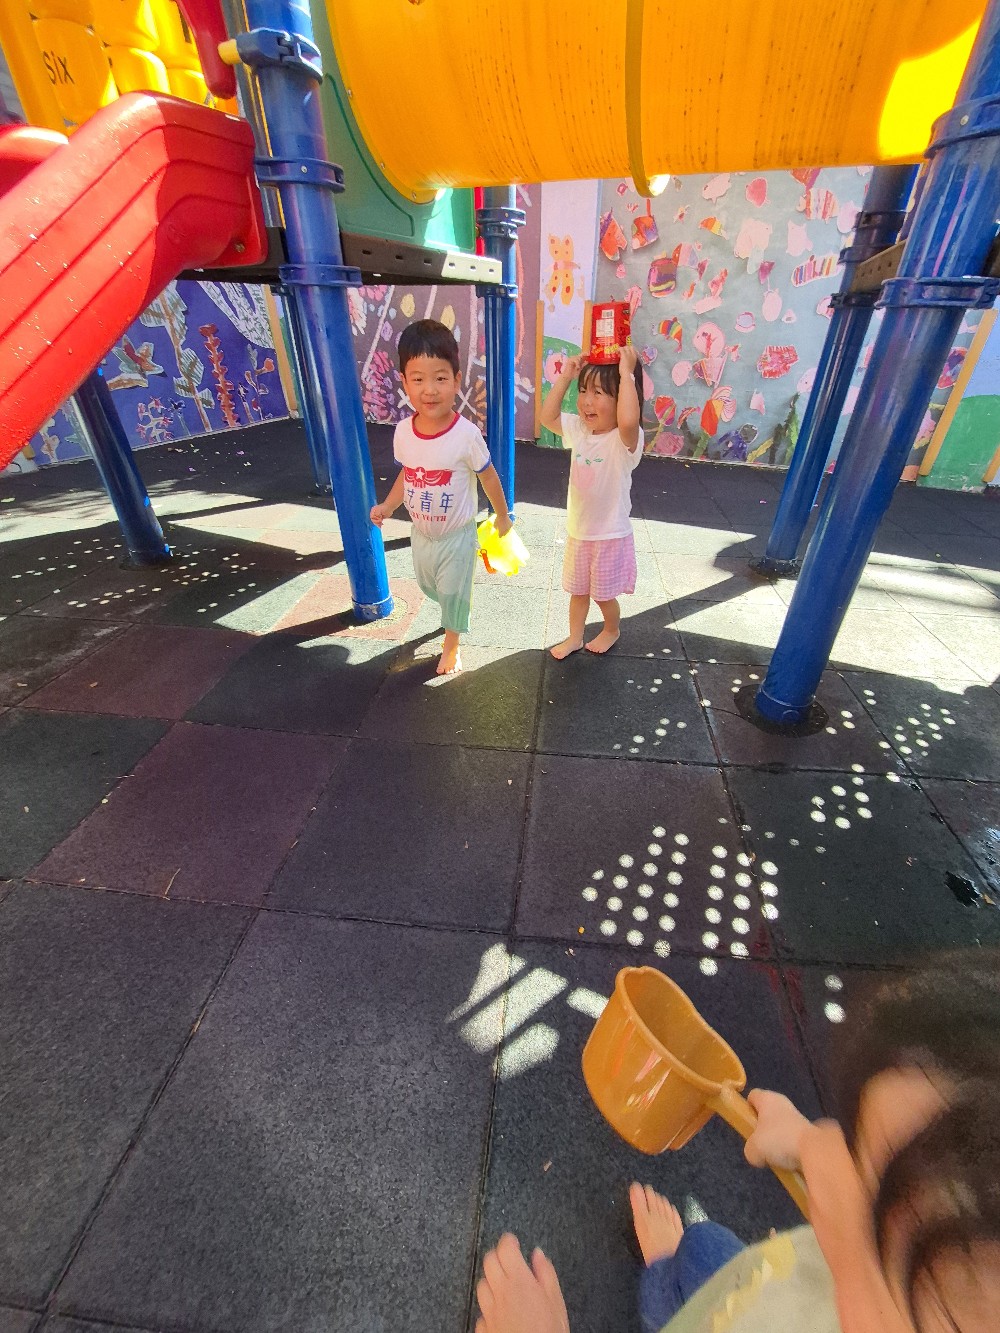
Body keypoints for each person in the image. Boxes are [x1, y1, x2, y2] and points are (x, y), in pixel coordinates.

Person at [474, 953, 1000, 1333]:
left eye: (877, 1219)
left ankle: (662, 1298)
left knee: (675, 1295)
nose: (833, 1159)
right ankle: (670, 1269)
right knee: (703, 1245)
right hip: (768, 1283)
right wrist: (805, 1142)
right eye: (855, 1142)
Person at [370, 319, 513, 675]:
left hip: (457, 536)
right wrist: (388, 505)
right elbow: (408, 474)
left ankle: (452, 643)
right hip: (421, 534)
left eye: (440, 378)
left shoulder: (466, 435)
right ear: (404, 382)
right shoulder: (404, 432)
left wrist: (501, 514)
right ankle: (452, 611)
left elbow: (488, 475)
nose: (430, 390)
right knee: (429, 585)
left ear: (456, 379)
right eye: (418, 379)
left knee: (452, 592)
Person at [539, 345, 644, 659]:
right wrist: (565, 378)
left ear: (621, 398)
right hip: (579, 532)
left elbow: (628, 421)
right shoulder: (580, 430)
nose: (586, 400)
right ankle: (574, 637)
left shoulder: (624, 439)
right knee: (578, 591)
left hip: (609, 535)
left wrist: (626, 375)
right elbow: (547, 417)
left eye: (598, 392)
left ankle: (611, 629)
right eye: (584, 390)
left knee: (603, 595)